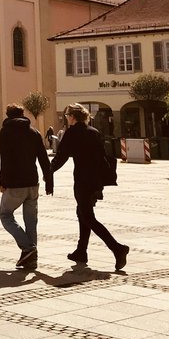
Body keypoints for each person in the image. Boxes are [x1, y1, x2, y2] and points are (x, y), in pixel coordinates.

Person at [50, 103, 129, 271]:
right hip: (96, 180)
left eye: (67, 116)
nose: (67, 119)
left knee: (87, 216)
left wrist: (48, 171)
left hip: (83, 180)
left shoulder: (72, 133)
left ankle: (117, 248)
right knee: (83, 213)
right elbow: (102, 156)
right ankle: (81, 251)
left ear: (72, 117)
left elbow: (61, 156)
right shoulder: (94, 132)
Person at [0, 104, 52, 269]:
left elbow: (5, 158)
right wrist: (49, 182)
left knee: (5, 215)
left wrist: (2, 181)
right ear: (22, 114)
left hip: (15, 183)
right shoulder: (33, 132)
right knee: (31, 222)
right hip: (32, 183)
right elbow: (43, 158)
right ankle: (31, 259)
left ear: (8, 115)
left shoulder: (6, 131)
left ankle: (28, 248)